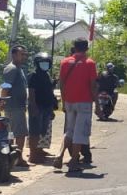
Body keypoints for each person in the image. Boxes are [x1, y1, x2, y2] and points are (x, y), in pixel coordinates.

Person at [56, 39, 98, 173]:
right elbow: (93, 85)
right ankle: (74, 161)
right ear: (86, 48)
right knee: (80, 132)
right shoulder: (90, 63)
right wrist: (97, 104)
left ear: (74, 48)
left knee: (69, 130)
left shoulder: (64, 62)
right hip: (84, 102)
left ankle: (59, 155)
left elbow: (61, 84)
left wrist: (63, 101)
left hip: (69, 101)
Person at [2, 45, 30, 168]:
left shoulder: (19, 69)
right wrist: (2, 102)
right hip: (14, 107)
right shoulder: (12, 69)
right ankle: (17, 158)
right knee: (19, 134)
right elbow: (5, 87)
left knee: (13, 133)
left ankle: (12, 157)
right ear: (14, 55)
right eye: (22, 54)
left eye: (25, 54)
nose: (24, 56)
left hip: (18, 106)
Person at [27, 52, 57, 164]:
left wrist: (52, 108)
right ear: (37, 63)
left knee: (42, 130)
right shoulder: (33, 75)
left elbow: (49, 91)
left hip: (47, 106)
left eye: (47, 63)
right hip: (37, 106)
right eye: (42, 63)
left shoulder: (47, 75)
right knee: (34, 131)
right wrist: (34, 107)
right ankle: (33, 155)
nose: (45, 65)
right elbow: (31, 92)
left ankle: (39, 150)